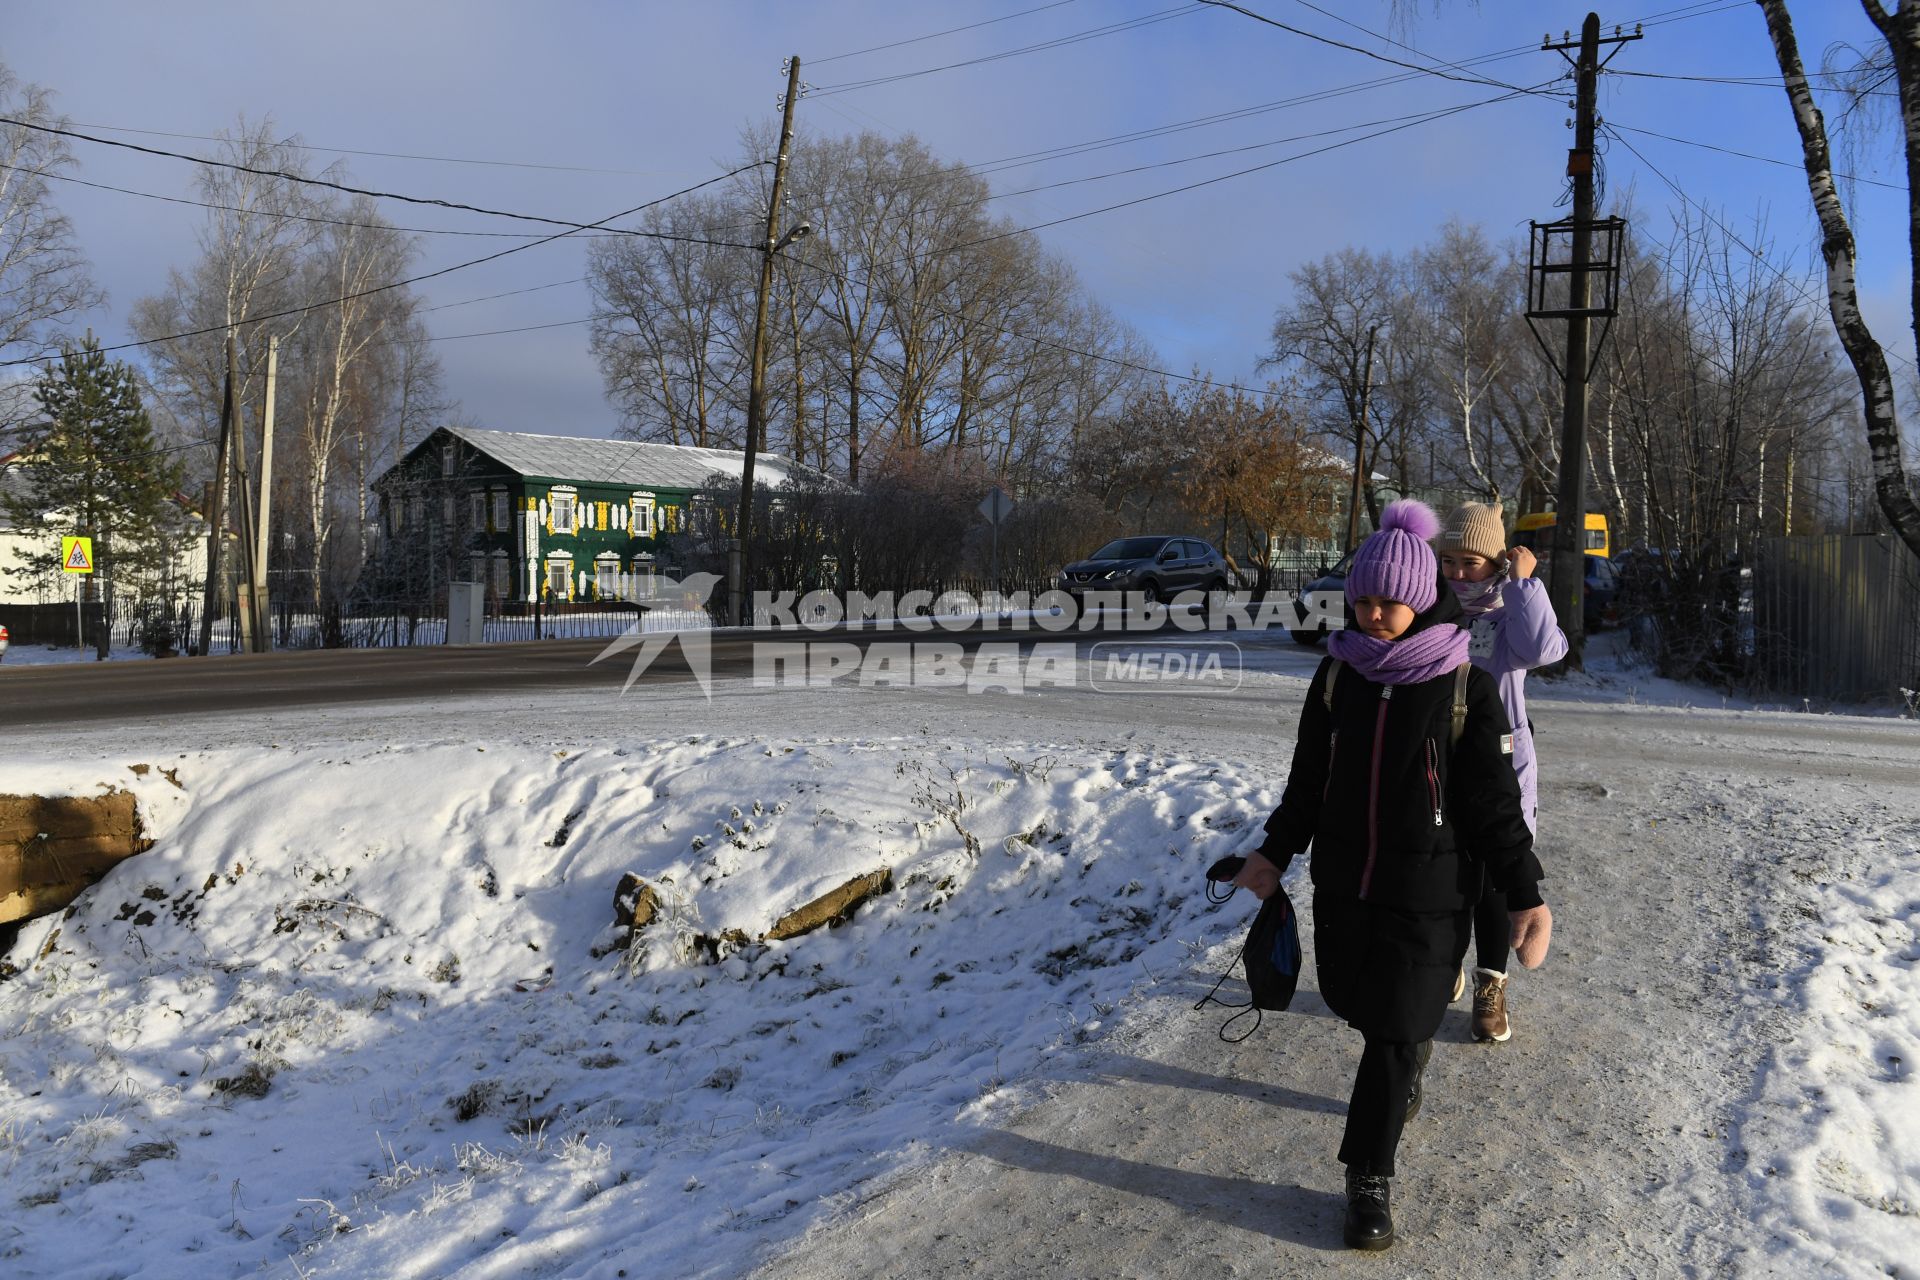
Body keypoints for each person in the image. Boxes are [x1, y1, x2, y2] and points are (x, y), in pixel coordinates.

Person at [1233, 499, 1552, 1252]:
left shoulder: (1463, 687)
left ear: (1423, 598)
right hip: (1346, 885)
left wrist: (1526, 891)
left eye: (1391, 602)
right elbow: (1308, 780)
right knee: (1360, 1005)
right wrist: (1274, 854)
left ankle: (1367, 1178)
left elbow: (1494, 805)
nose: (1375, 615)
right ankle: (1408, 1056)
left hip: (1433, 893)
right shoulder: (1336, 678)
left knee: (1395, 1027)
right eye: (1364, 601)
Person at [1434, 502, 1568, 1044]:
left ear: (1495, 564)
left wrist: (1525, 584)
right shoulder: (1433, 612)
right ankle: (1445, 965)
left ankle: (1491, 984)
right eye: (1448, 562)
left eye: (1471, 562)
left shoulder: (1510, 617)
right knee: (1444, 877)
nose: (1459, 574)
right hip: (1438, 764)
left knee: (1491, 885)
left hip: (1501, 770)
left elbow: (1546, 648)